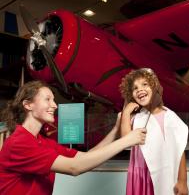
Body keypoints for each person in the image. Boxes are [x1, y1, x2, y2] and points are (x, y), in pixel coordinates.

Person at [0, 80, 146, 195]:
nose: (55, 105)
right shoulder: (19, 142)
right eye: (48, 99)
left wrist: (116, 130)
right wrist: (127, 140)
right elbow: (74, 167)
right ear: (28, 105)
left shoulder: (41, 142)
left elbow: (85, 157)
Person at [119, 68, 189, 195]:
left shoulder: (170, 117)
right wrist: (126, 113)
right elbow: (125, 141)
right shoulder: (136, 118)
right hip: (141, 177)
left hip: (164, 174)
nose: (139, 89)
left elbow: (180, 150)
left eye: (144, 84)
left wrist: (182, 181)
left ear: (155, 87)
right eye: (135, 88)